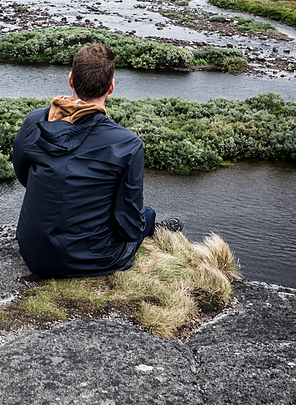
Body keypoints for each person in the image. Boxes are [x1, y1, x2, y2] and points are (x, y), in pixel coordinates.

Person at [13, 42, 181, 278]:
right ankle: (162, 232)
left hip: (34, 253)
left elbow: (23, 176)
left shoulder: (34, 121)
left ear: (71, 80)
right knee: (148, 215)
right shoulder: (127, 143)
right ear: (111, 87)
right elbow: (130, 225)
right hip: (94, 260)